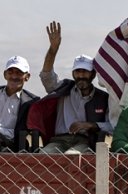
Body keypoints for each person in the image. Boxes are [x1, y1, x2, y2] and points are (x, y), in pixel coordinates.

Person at [26, 21, 113, 154]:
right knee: (43, 157)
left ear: (93, 74)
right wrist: (53, 49)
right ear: (73, 74)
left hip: (85, 142)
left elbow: (112, 125)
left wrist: (90, 125)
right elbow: (46, 76)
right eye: (78, 71)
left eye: (85, 72)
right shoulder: (63, 89)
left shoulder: (103, 98)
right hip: (58, 140)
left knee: (72, 156)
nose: (81, 75)